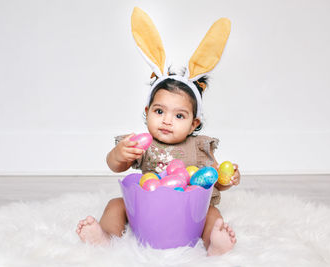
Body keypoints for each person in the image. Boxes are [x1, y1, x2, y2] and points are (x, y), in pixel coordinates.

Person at [76, 7, 240, 256]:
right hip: (148, 210)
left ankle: (212, 244)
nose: (167, 121)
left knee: (212, 214)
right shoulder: (143, 143)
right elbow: (114, 165)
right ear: (147, 110)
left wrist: (227, 179)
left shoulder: (200, 146)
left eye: (179, 115)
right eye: (159, 111)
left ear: (194, 124)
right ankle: (106, 237)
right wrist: (120, 153)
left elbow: (212, 176)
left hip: (188, 213)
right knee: (116, 204)